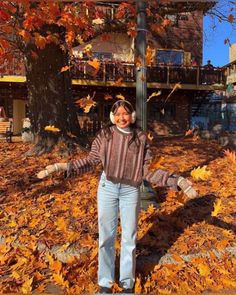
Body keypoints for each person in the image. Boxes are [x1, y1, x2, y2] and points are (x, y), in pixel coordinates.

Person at [37, 100, 198, 293]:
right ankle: (104, 283)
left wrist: (177, 181)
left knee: (129, 237)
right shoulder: (105, 135)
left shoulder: (140, 138)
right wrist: (63, 167)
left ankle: (127, 284)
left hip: (131, 191)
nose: (122, 117)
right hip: (108, 188)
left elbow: (148, 170)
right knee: (106, 236)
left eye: (126, 113)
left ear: (132, 116)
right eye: (118, 114)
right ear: (113, 117)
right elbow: (91, 161)